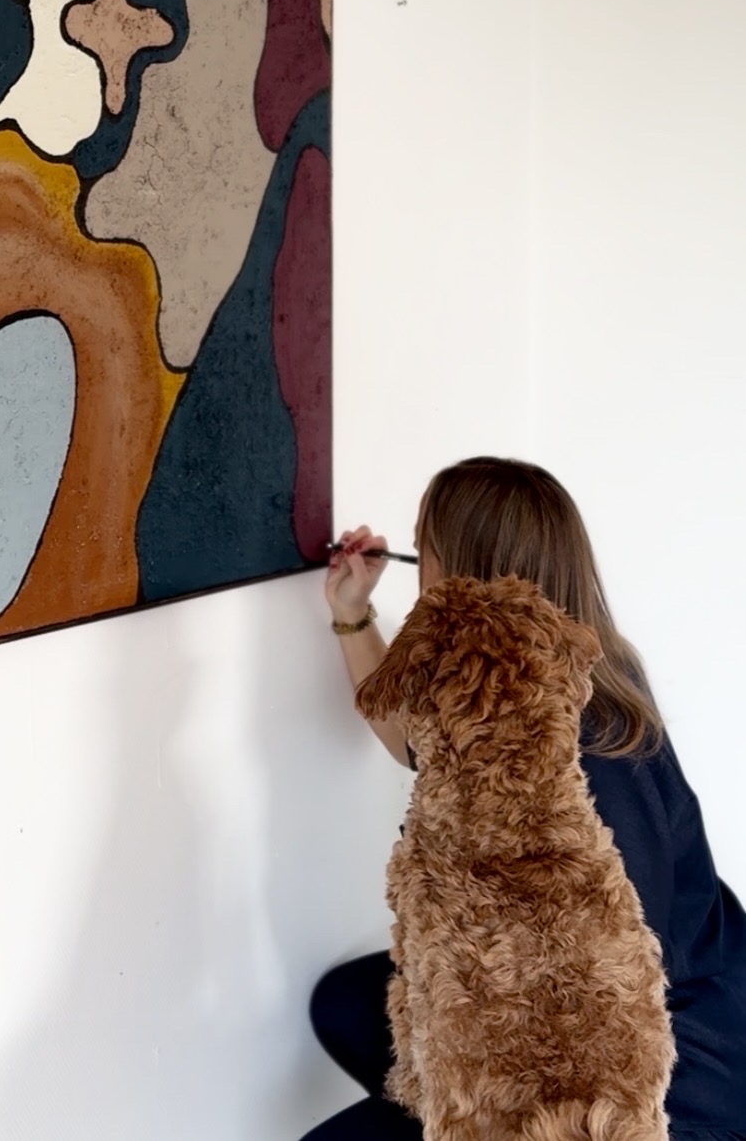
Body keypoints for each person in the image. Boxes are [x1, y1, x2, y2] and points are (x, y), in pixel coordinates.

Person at [303, 457, 746, 1141]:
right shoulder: (551, 675)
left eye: (424, 551)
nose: (417, 571)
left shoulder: (588, 749)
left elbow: (613, 984)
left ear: (465, 578)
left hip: (666, 1064)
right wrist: (352, 615)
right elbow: (411, 741)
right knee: (341, 1005)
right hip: (605, 990)